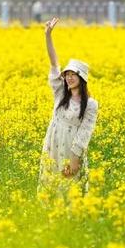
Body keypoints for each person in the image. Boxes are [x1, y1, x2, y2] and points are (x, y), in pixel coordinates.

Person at [38, 16, 99, 196]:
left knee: (70, 189)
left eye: (74, 74)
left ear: (82, 79)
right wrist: (48, 35)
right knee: (49, 188)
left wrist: (74, 160)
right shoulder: (60, 93)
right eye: (68, 74)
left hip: (71, 149)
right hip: (52, 144)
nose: (69, 77)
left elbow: (84, 134)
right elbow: (54, 63)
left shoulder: (91, 104)